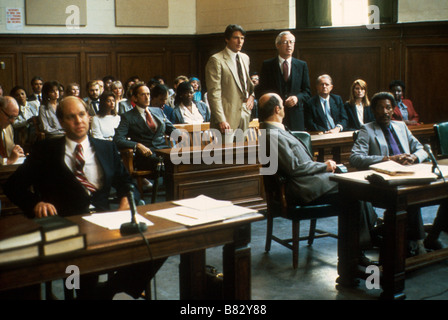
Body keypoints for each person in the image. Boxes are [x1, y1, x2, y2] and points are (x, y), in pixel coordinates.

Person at [4, 96, 156, 299]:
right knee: (79, 267)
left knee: (154, 247)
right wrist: (36, 203)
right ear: (61, 122)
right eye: (71, 117)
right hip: (64, 225)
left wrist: (126, 199)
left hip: (104, 222)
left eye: (82, 114)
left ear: (89, 116)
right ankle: (89, 294)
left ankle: (106, 293)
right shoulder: (45, 151)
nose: (79, 121)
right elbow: (12, 186)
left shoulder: (106, 148)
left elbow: (126, 183)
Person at [258, 92, 376, 258]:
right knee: (354, 187)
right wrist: (324, 166)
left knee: (353, 185)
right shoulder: (272, 135)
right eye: (282, 106)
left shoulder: (272, 131)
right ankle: (364, 241)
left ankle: (369, 234)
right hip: (302, 186)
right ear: (277, 109)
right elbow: (295, 168)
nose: (284, 108)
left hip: (306, 181)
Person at [350, 92, 429, 255]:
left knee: (423, 192)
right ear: (373, 110)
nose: (385, 112)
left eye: (388, 107)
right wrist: (388, 159)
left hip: (408, 174)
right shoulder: (367, 129)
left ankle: (415, 242)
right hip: (382, 183)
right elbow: (355, 158)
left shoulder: (401, 126)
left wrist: (414, 157)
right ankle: (415, 244)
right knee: (409, 196)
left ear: (393, 110)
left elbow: (422, 149)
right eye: (380, 108)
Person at [205, 24, 255, 143]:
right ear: (227, 39)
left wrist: (252, 96)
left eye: (242, 38)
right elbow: (214, 93)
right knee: (225, 157)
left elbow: (248, 85)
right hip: (226, 117)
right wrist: (221, 119)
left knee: (241, 156)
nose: (240, 42)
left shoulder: (245, 58)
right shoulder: (216, 60)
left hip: (244, 113)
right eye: (235, 38)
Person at [114, 83, 179, 171]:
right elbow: (118, 139)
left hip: (163, 149)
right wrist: (138, 145)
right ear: (135, 98)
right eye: (143, 94)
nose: (147, 97)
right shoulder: (128, 117)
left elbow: (171, 130)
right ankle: (161, 184)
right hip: (145, 154)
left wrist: (181, 136)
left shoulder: (158, 111)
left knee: (184, 158)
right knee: (165, 162)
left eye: (148, 94)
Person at [256, 31, 311, 130]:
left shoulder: (301, 65)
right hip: (274, 116)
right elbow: (262, 91)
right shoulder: (267, 65)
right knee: (273, 144)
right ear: (278, 45)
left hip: (296, 116)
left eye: (292, 42)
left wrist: (297, 98)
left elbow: (307, 92)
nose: (289, 45)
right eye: (286, 42)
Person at [0, 96, 25, 165]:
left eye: (15, 117)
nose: (12, 121)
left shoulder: (8, 128)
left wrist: (17, 152)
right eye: (10, 117)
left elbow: (10, 151)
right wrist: (10, 160)